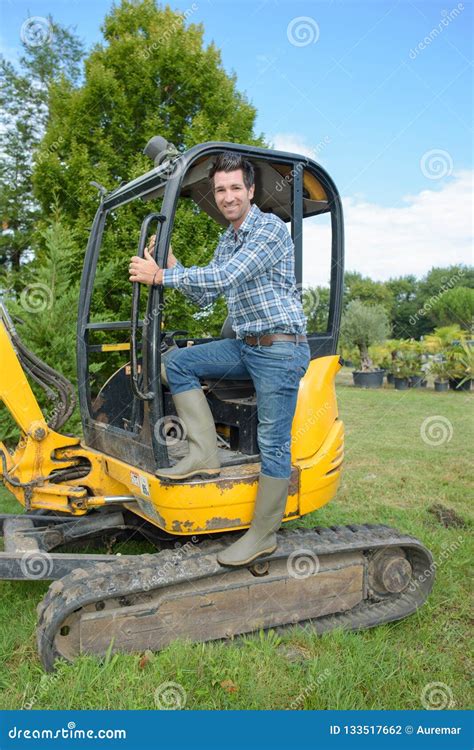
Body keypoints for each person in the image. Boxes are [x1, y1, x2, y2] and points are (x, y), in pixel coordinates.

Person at [129, 151, 310, 567]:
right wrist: (171, 264)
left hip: (281, 349)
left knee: (272, 442)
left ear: (250, 190)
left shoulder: (270, 230)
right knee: (179, 362)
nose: (227, 196)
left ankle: (263, 535)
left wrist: (159, 275)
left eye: (235, 188)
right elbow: (206, 294)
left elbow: (226, 277)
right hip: (247, 345)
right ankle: (204, 455)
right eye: (220, 190)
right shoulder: (228, 239)